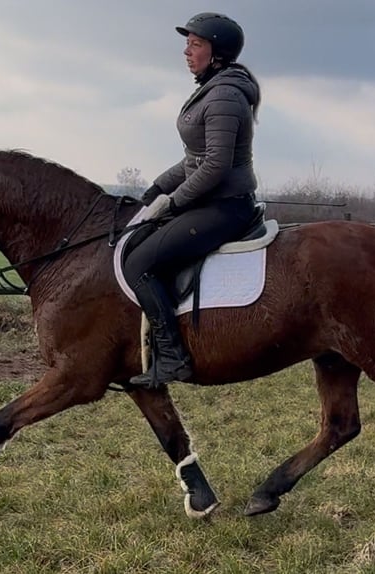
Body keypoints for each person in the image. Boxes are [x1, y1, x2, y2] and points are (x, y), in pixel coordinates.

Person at [122, 12, 262, 388]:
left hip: (225, 207)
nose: (187, 51)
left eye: (196, 44)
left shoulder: (225, 96)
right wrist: (155, 189)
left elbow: (215, 166)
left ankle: (172, 358)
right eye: (188, 43)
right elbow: (193, 159)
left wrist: (173, 202)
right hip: (209, 201)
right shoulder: (212, 87)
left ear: (217, 53)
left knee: (139, 264)